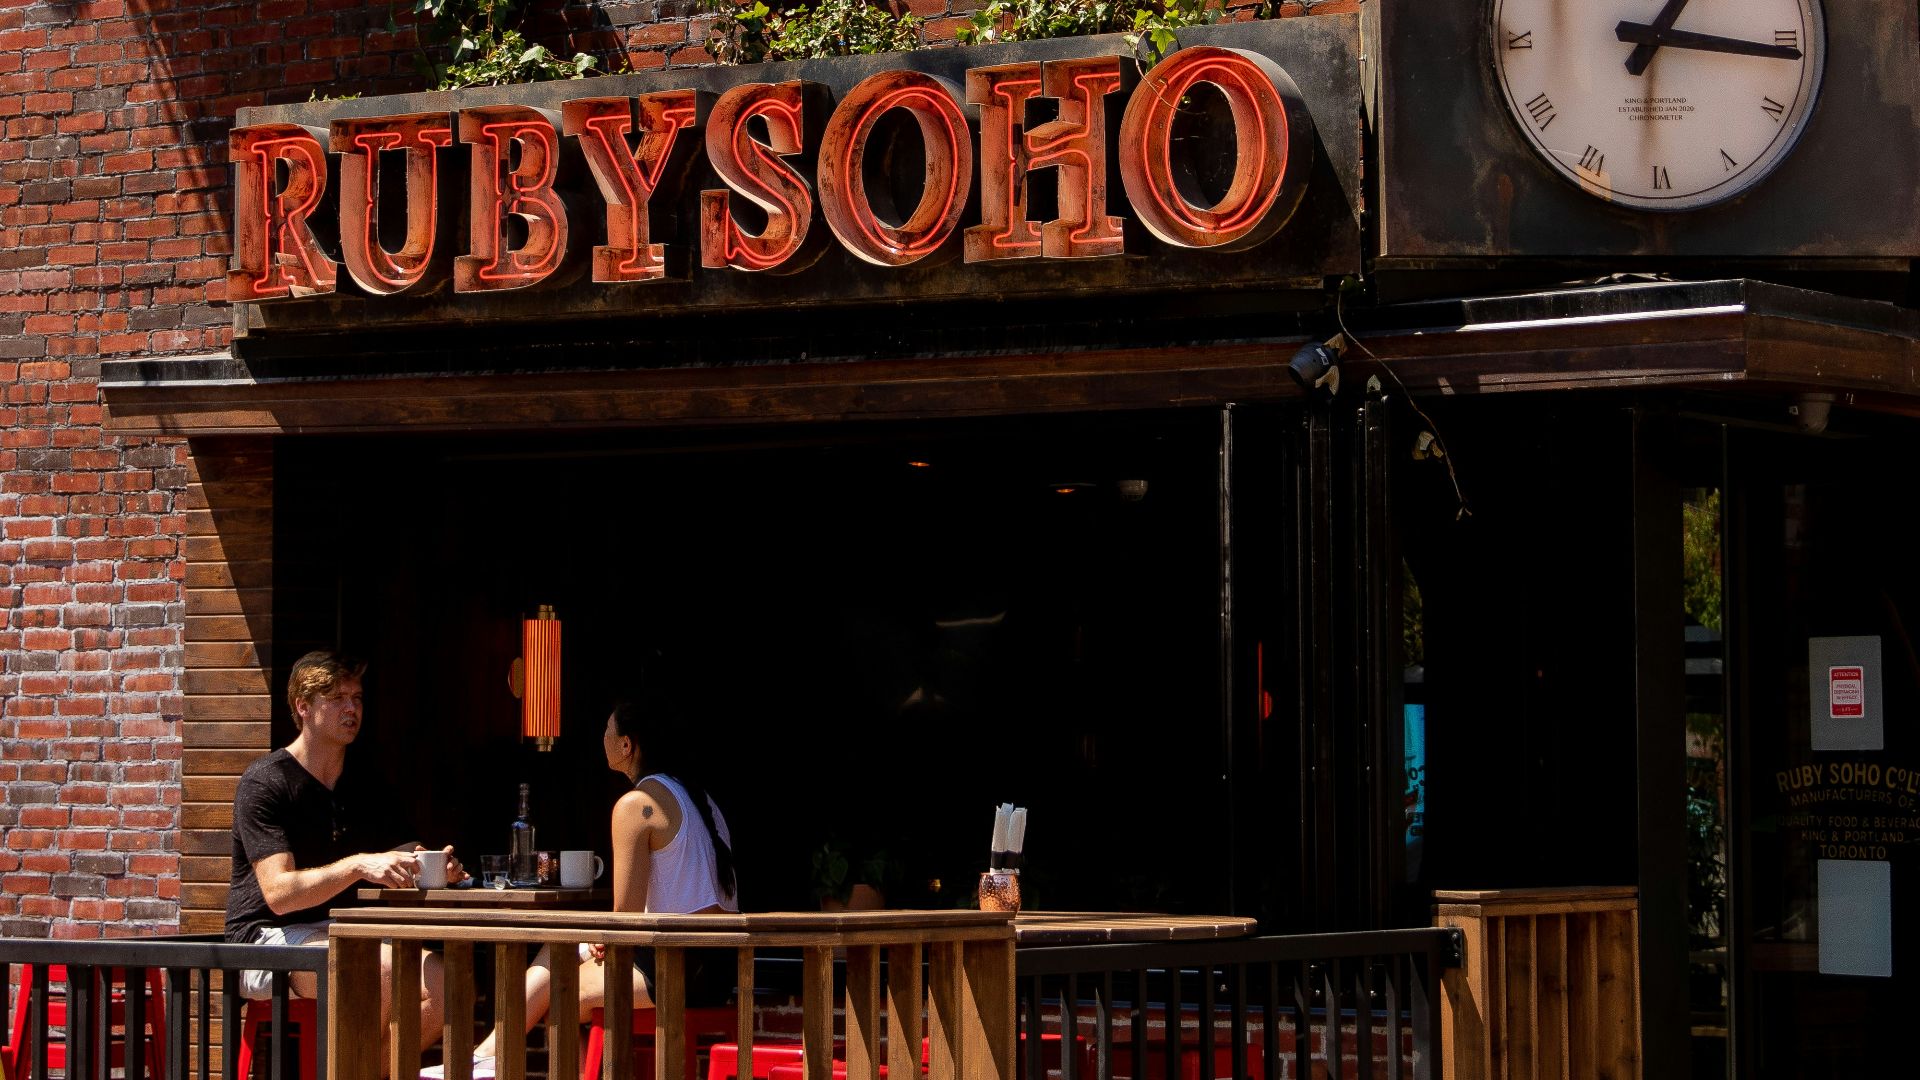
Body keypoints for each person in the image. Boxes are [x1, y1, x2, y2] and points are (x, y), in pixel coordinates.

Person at [456, 692, 739, 1075]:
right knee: (558, 954)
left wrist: (603, 937)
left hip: (676, 966)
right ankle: (488, 1054)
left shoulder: (637, 805)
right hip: (719, 967)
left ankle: (487, 1057)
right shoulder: (698, 797)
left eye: (607, 730)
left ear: (626, 745)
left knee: (559, 990)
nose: (601, 738)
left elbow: (625, 917)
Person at [225, 650, 461, 1064]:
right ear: (303, 706)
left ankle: (361, 1070)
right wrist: (357, 866)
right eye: (337, 698)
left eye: (357, 698)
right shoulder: (266, 781)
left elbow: (400, 852)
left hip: (345, 933)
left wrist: (435, 867)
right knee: (374, 968)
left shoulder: (365, 782)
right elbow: (280, 894)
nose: (352, 708)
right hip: (266, 938)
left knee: (449, 983)